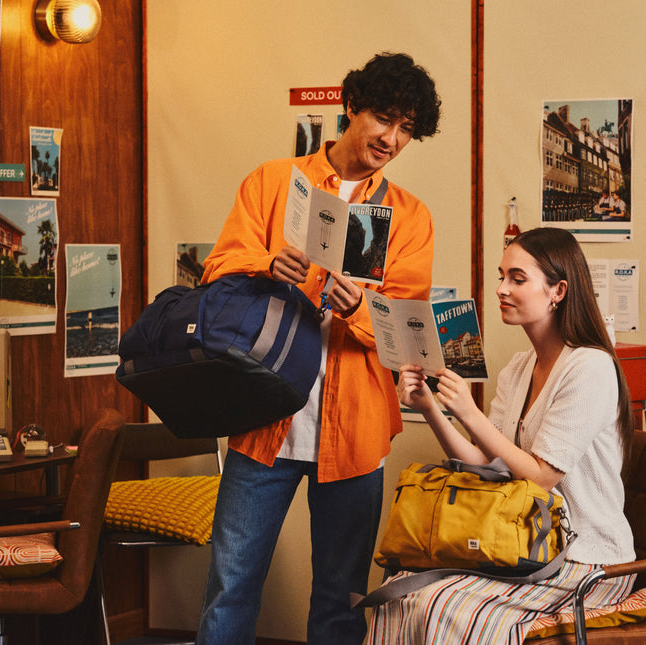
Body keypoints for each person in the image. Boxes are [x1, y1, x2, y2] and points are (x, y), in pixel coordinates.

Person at [196, 52, 441, 645]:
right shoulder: (272, 181)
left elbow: (406, 334)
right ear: (350, 106)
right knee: (230, 589)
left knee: (341, 603)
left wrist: (358, 307)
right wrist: (264, 262)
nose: (391, 137)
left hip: (356, 434)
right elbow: (215, 273)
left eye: (407, 128)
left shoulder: (411, 218)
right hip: (264, 422)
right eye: (384, 118)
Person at [369, 227, 636, 644]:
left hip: (584, 561)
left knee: (439, 605)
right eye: (501, 276)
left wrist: (471, 413)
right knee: (398, 593)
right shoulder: (518, 367)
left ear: (558, 291)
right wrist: (431, 408)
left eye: (517, 278)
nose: (501, 289)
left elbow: (541, 477)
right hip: (519, 546)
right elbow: (487, 466)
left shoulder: (591, 368)